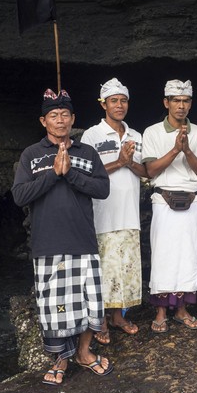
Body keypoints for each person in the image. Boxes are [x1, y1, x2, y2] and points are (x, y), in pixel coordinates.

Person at [12, 89, 114, 386]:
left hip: (82, 240)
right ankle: (61, 360)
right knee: (54, 309)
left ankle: (84, 352)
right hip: (48, 244)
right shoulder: (31, 155)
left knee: (88, 303)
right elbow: (20, 196)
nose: (60, 120)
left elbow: (102, 190)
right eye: (54, 116)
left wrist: (70, 174)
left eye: (65, 115)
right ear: (44, 121)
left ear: (73, 119)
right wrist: (53, 174)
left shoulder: (87, 153)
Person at [142, 79, 197, 333]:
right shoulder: (152, 132)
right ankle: (161, 311)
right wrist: (175, 150)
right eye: (175, 101)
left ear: (190, 104)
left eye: (185, 101)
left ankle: (182, 309)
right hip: (163, 200)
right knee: (162, 256)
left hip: (192, 200)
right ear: (166, 103)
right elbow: (150, 170)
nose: (180, 106)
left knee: (187, 255)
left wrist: (188, 151)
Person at [81, 78, 146, 345]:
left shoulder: (136, 136)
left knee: (126, 269)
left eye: (123, 100)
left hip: (129, 213)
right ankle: (101, 321)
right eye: (113, 101)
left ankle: (119, 316)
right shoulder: (92, 136)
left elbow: (145, 172)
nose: (119, 105)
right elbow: (85, 173)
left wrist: (129, 164)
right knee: (104, 271)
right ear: (103, 104)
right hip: (102, 214)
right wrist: (119, 161)